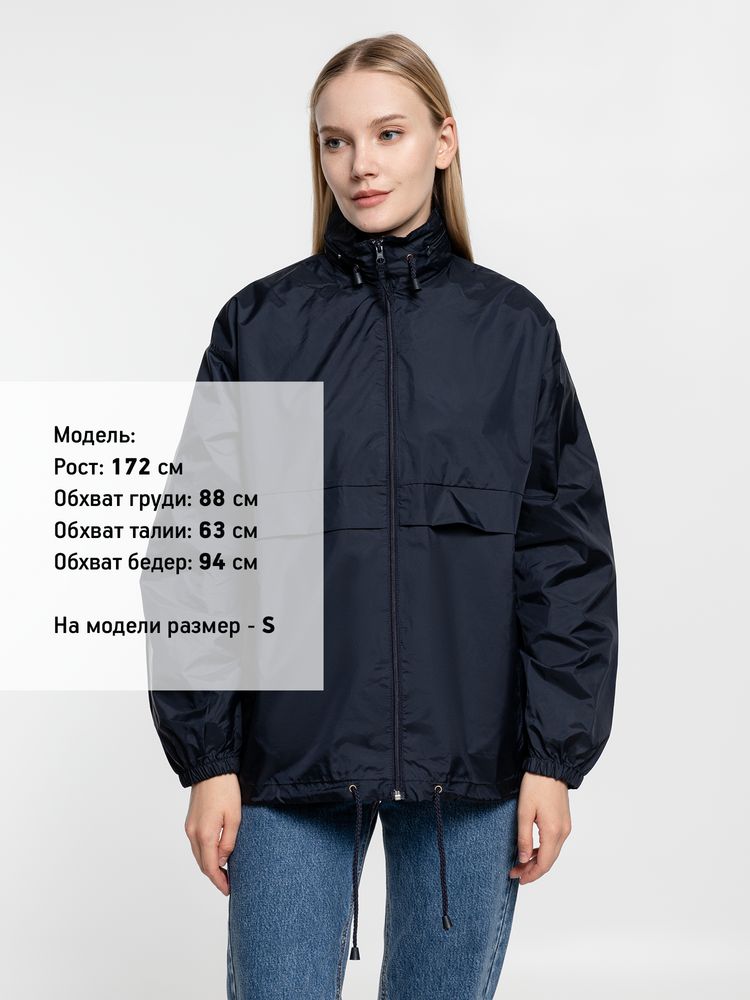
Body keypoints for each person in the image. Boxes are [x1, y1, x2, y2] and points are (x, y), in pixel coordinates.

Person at [147, 32, 619, 1000]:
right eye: (336, 140)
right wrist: (208, 760)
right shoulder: (262, 326)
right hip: (287, 761)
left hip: (474, 768)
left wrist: (554, 759)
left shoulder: (512, 330)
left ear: (443, 142)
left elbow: (563, 561)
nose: (360, 163)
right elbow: (198, 550)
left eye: (388, 133)